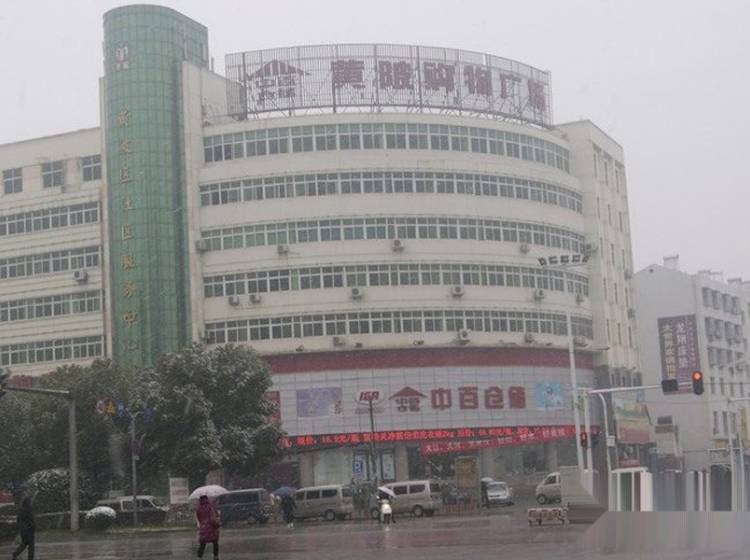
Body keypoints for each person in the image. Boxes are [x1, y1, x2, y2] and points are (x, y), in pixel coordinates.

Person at [195, 495, 220, 559]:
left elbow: (198, 518)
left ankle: (199, 557)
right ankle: (216, 556)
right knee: (215, 542)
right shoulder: (210, 507)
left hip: (203, 528)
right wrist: (217, 524)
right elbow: (213, 518)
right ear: (207, 499)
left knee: (202, 544)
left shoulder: (198, 508)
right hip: (211, 528)